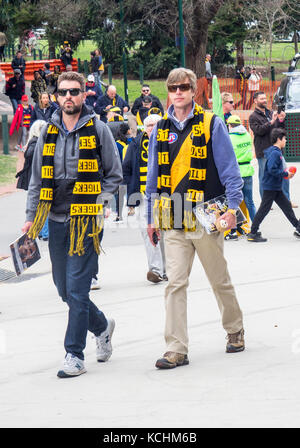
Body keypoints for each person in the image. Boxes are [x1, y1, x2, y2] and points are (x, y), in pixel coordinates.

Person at [22, 71, 123, 378]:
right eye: (63, 92)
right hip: (54, 220)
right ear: (57, 96)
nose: (68, 96)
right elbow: (37, 180)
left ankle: (74, 354)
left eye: (74, 91)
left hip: (85, 222)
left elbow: (114, 177)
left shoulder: (99, 129)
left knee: (78, 290)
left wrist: (99, 204)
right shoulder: (48, 132)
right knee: (64, 290)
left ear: (84, 95)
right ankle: (102, 326)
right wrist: (30, 217)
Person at [146, 67, 245, 369]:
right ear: (169, 92)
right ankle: (176, 348)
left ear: (194, 91)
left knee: (219, 280)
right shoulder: (160, 128)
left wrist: (232, 209)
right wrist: (151, 218)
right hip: (172, 218)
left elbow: (231, 172)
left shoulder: (212, 124)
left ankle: (234, 329)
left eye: (184, 87)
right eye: (173, 88)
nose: (178, 92)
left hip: (205, 218)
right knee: (175, 283)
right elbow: (151, 179)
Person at [123, 114, 167, 283]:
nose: (152, 128)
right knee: (148, 232)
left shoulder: (168, 144)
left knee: (166, 232)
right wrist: (131, 190)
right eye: (149, 125)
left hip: (165, 195)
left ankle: (166, 269)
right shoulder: (134, 145)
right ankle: (155, 270)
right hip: (142, 196)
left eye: (156, 125)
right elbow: (126, 169)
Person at [247, 128, 300, 242]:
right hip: (270, 187)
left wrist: (285, 173)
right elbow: (272, 169)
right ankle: (253, 232)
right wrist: (286, 174)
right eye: (284, 138)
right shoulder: (275, 153)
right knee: (263, 210)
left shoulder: (275, 152)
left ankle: (298, 228)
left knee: (287, 208)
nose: (286, 141)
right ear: (279, 139)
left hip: (275, 187)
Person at [249, 91, 285, 199]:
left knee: (283, 173)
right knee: (264, 177)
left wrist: (281, 119)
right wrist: (271, 122)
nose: (264, 100)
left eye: (265, 98)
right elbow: (259, 131)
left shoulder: (270, 113)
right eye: (261, 99)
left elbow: (278, 129)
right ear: (255, 101)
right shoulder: (253, 116)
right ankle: (266, 201)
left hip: (275, 149)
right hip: (263, 151)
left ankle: (286, 199)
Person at [226, 114, 256, 240]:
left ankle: (233, 231)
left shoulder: (229, 138)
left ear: (230, 125)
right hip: (247, 171)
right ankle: (255, 227)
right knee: (250, 202)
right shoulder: (247, 136)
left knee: (233, 202)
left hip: (235, 172)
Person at [16, 120, 46, 191]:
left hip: (35, 176)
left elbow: (29, 154)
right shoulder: (44, 141)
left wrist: (24, 153)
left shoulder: (35, 142)